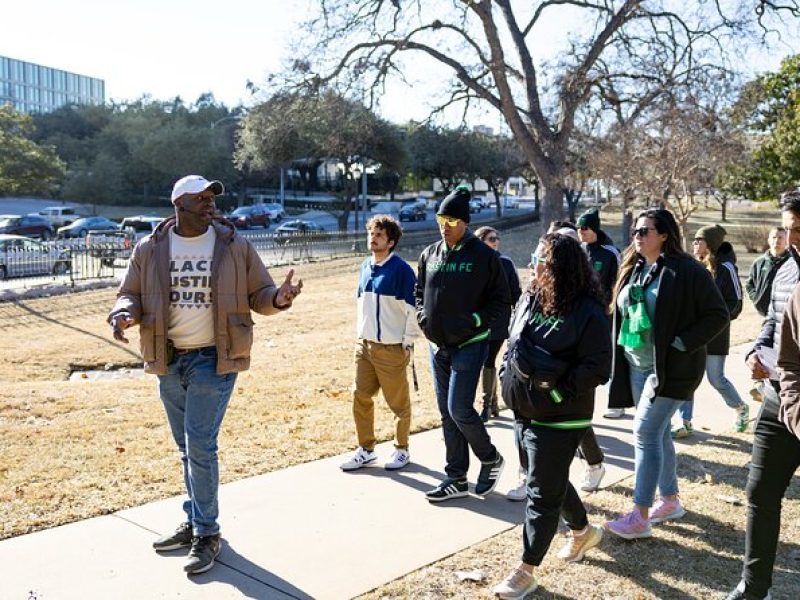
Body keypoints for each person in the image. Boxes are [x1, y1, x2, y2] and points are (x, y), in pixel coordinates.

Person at [107, 175, 303, 575]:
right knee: (186, 447)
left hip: (216, 358)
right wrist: (123, 313)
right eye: (201, 199)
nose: (210, 204)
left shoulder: (234, 245)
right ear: (179, 204)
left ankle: (207, 533)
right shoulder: (150, 248)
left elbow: (260, 294)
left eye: (213, 197)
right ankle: (194, 518)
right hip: (168, 358)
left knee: (200, 443)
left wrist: (278, 300)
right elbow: (130, 293)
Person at [492, 234, 611, 599]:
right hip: (525, 408)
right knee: (548, 477)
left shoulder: (588, 310)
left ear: (561, 268)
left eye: (542, 259)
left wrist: (559, 392)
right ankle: (583, 532)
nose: (534, 264)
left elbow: (598, 367)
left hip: (561, 416)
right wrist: (504, 376)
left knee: (541, 491)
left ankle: (526, 570)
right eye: (535, 257)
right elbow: (515, 343)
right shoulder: (531, 297)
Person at [604, 208, 727, 540]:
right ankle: (670, 501)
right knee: (658, 434)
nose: (637, 236)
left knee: (645, 433)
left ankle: (640, 516)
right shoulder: (637, 265)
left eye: (645, 231)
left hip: (672, 369)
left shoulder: (687, 270)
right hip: (637, 364)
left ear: (664, 235)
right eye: (635, 231)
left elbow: (718, 315)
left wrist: (682, 342)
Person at [416, 186, 512, 502]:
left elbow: (501, 301)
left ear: (466, 223)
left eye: (453, 219)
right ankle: (455, 477)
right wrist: (423, 317)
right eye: (442, 218)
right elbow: (419, 294)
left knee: (459, 407)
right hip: (436, 346)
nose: (445, 225)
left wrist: (473, 322)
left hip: (470, 343)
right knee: (446, 411)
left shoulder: (485, 257)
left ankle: (490, 457)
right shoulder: (429, 254)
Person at [727, 190, 800, 600]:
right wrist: (757, 350)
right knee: (760, 493)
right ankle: (754, 588)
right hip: (779, 398)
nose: (792, 241)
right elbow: (772, 324)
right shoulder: (785, 272)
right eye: (788, 230)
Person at [340, 215, 419, 472]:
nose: (372, 239)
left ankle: (401, 449)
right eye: (371, 234)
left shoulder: (402, 270)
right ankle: (366, 449)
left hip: (391, 348)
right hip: (364, 346)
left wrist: (407, 342)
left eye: (379, 235)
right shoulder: (365, 266)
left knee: (398, 403)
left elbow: (414, 310)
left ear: (391, 241)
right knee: (360, 397)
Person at [672, 225, 748, 439]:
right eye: (694, 240)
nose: (695, 243)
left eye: (699, 240)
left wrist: (716, 323)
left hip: (716, 334)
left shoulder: (726, 268)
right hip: (693, 334)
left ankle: (741, 409)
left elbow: (736, 302)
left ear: (711, 244)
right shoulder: (694, 266)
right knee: (688, 377)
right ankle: (684, 422)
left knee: (716, 378)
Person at [577, 208, 625, 421]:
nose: (581, 231)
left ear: (595, 228)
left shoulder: (610, 252)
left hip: (606, 312)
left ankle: (617, 403)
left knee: (611, 355)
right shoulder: (579, 249)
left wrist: (611, 305)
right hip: (582, 313)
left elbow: (620, 280)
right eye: (578, 227)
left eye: (584, 227)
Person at [474, 225, 522, 422]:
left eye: (497, 238)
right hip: (476, 322)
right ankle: (493, 403)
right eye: (491, 238)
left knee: (488, 359)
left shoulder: (505, 263)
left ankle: (486, 405)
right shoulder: (473, 263)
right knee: (484, 360)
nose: (496, 241)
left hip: (498, 321)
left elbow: (516, 295)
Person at [746, 226, 788, 317]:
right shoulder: (759, 262)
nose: (777, 240)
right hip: (764, 313)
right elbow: (749, 284)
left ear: (786, 241)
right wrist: (756, 298)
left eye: (780, 238)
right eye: (774, 237)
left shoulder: (792, 263)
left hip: (785, 312)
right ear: (769, 240)